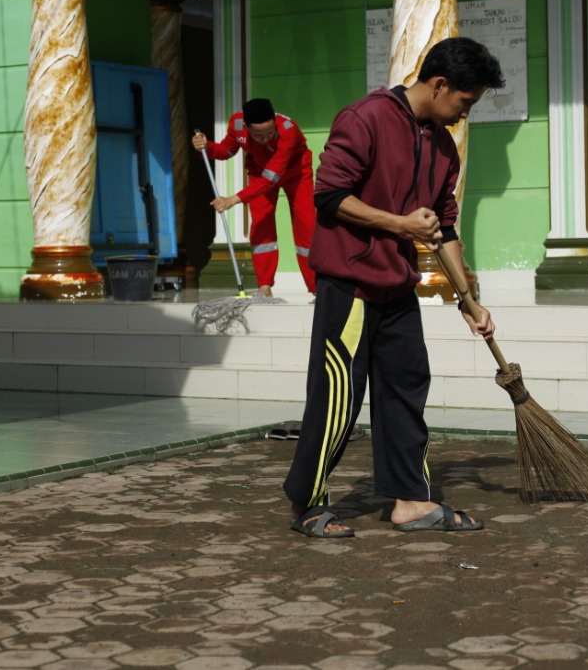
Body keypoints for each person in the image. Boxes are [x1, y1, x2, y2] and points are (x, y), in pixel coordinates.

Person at [283, 36, 505, 538]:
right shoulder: (364, 118)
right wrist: (399, 225)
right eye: (464, 103)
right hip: (351, 285)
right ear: (440, 83)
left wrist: (468, 300)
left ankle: (410, 501)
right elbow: (330, 195)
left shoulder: (443, 147)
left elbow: (443, 228)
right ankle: (307, 502)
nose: (463, 115)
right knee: (338, 396)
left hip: (397, 287)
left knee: (408, 388)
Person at [192, 97, 317, 297]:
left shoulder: (288, 129)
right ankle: (264, 287)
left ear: (274, 123)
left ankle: (317, 288)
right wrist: (206, 147)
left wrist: (233, 200)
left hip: (296, 174)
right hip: (259, 171)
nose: (265, 138)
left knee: (307, 224)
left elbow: (271, 177)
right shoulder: (237, 124)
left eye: (269, 133)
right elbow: (226, 150)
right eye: (258, 135)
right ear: (247, 127)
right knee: (261, 224)